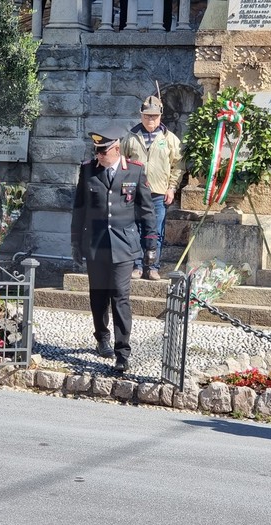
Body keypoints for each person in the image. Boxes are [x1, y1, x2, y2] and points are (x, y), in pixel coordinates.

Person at [71, 125, 157, 372]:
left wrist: (150, 246)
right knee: (98, 296)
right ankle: (102, 338)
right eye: (96, 151)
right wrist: (76, 242)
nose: (98, 155)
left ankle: (122, 352)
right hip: (96, 245)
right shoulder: (88, 170)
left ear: (116, 149)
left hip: (123, 246)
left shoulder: (136, 172)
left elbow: (147, 212)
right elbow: (79, 209)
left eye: (103, 151)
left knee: (120, 296)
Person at [121, 94, 183, 281]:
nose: (151, 119)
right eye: (147, 116)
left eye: (154, 116)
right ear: (141, 115)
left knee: (155, 231)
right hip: (134, 192)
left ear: (161, 116)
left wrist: (172, 187)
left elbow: (178, 165)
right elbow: (122, 163)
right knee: (134, 230)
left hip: (158, 193)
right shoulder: (130, 137)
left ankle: (153, 267)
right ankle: (137, 266)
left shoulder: (170, 139)